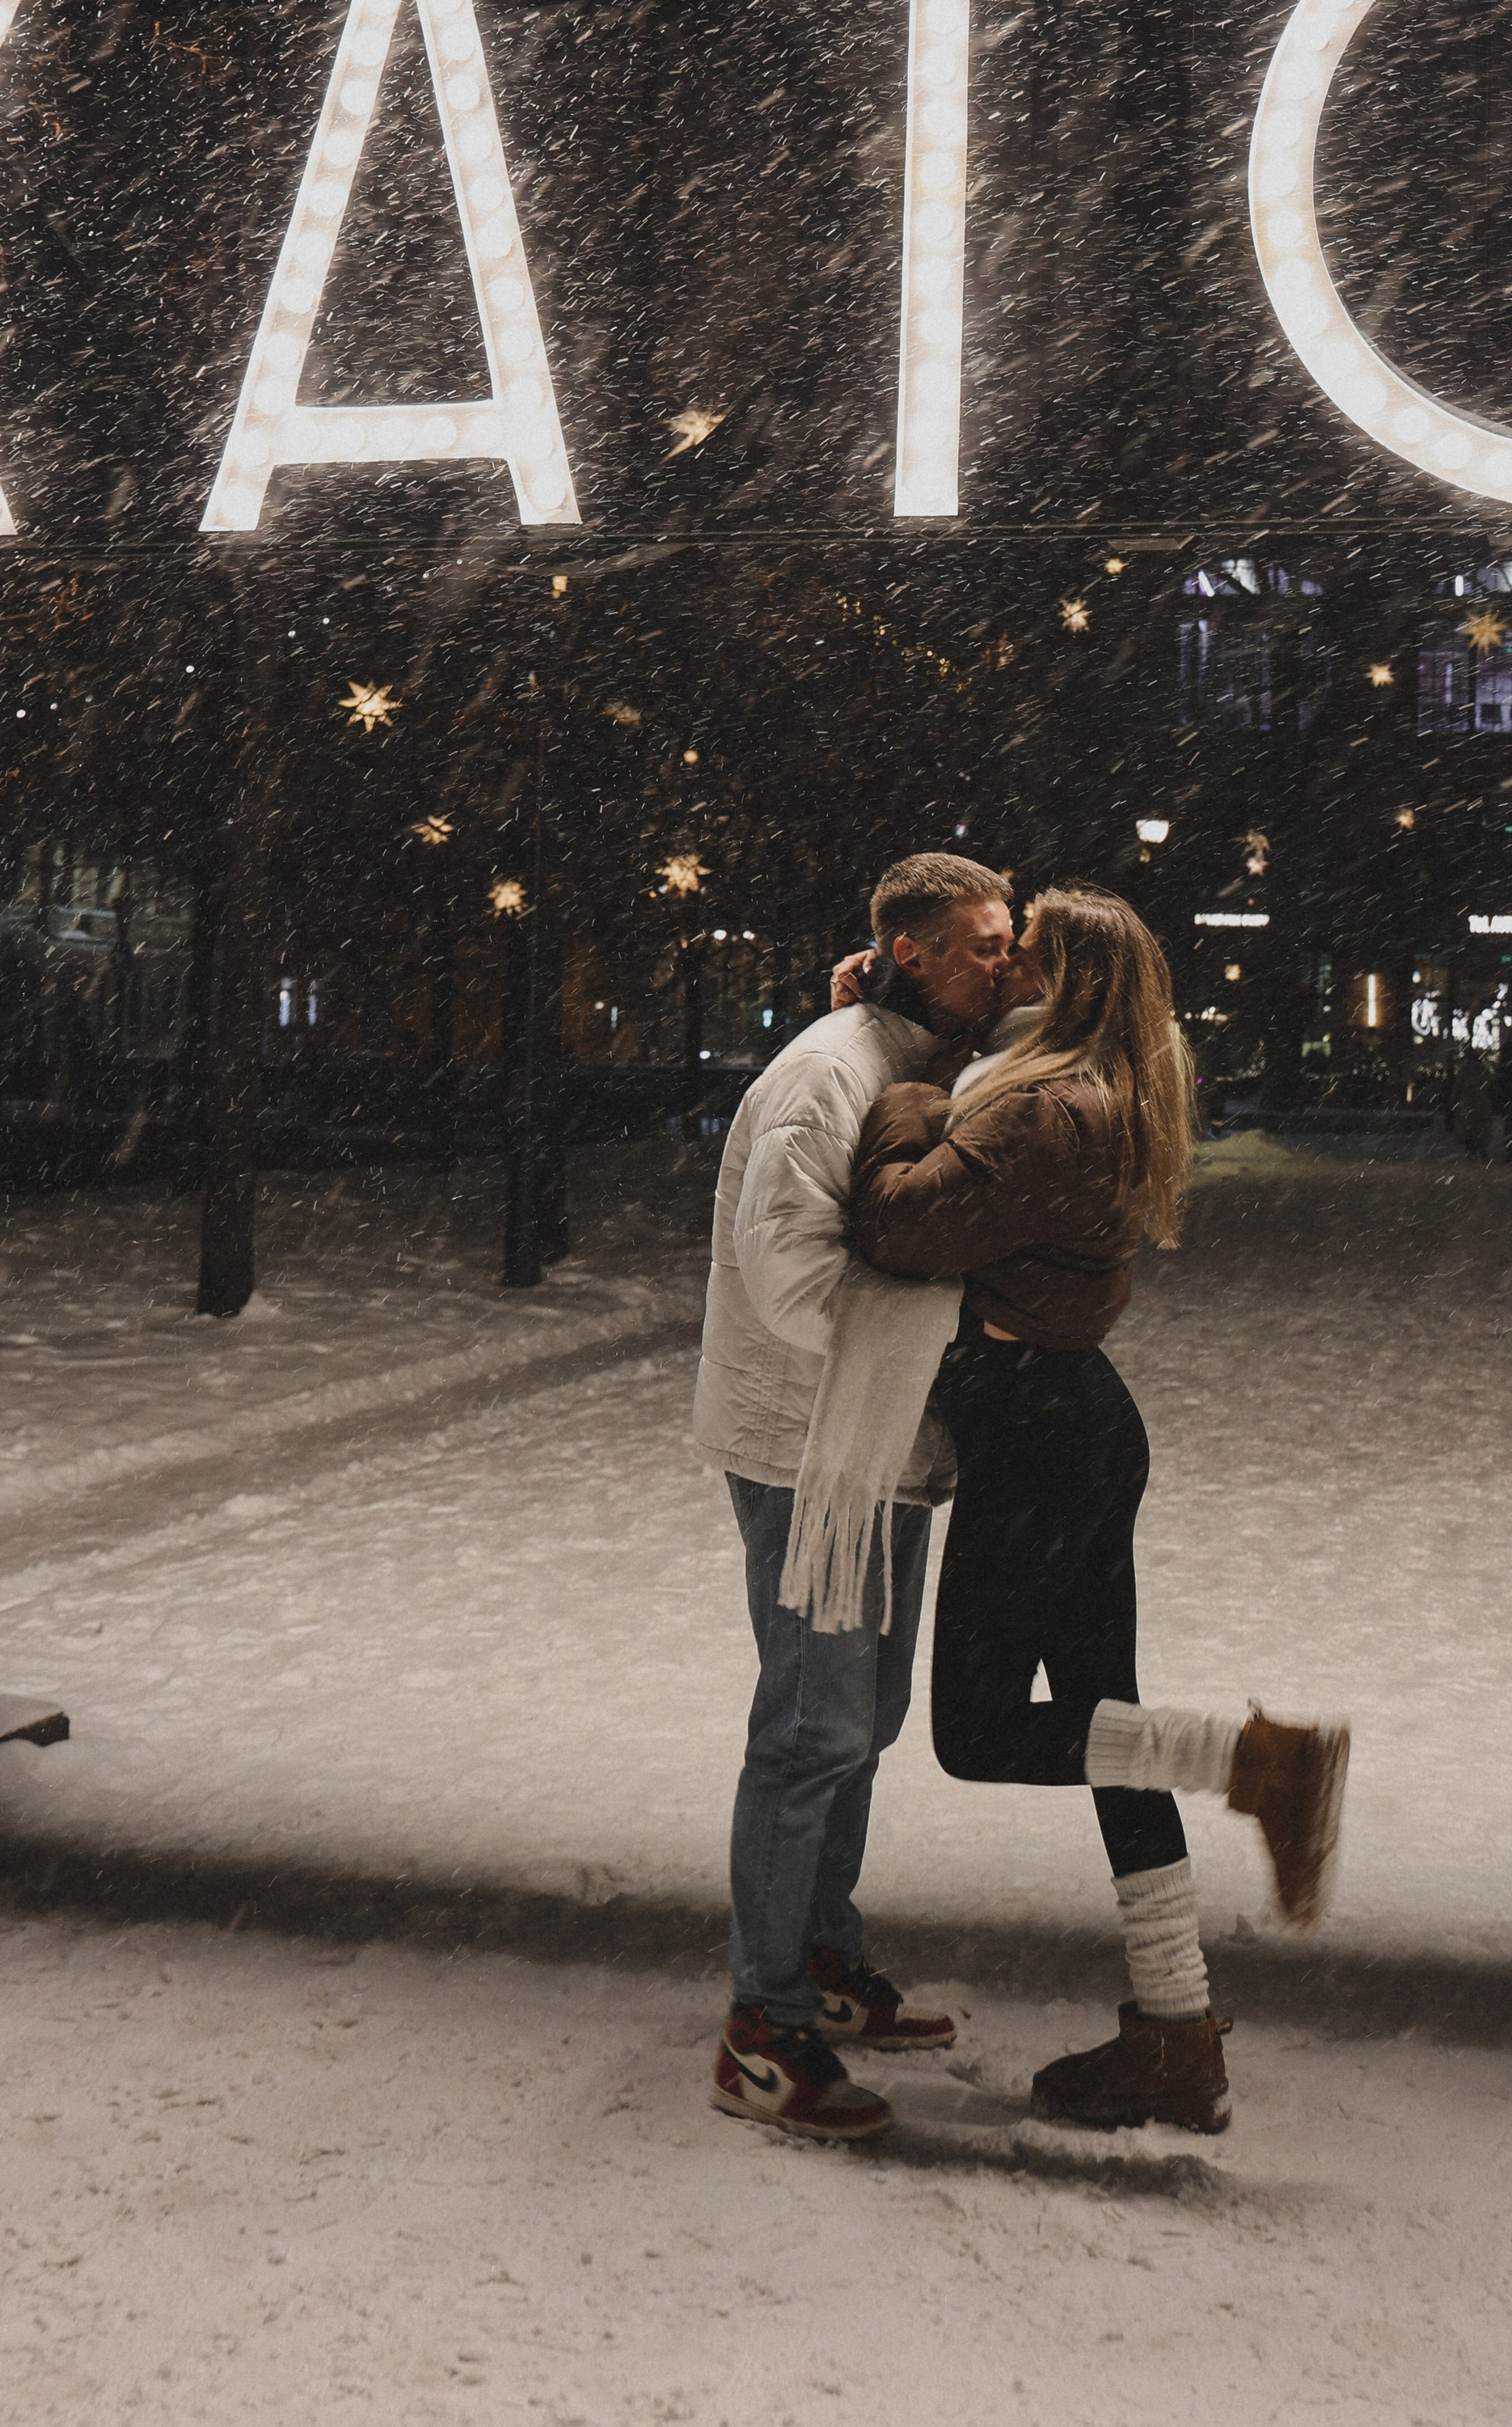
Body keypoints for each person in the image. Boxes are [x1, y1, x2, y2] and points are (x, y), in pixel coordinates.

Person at [845, 886, 1349, 2139]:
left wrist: (901, 1094)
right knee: (1102, 1731)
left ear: (1063, 989)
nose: (1003, 959)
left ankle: (1256, 1762)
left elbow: (903, 1222)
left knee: (976, 1728)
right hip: (1068, 1424)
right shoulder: (1074, 1087)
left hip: (1043, 1437)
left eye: (1027, 952)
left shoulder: (1054, 1114)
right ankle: (1177, 2035)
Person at [693, 849, 1013, 2145]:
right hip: (803, 1447)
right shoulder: (830, 1072)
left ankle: (820, 1959)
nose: (1008, 961)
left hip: (876, 1447)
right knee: (812, 1721)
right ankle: (760, 2030)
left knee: (865, 1712)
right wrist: (956, 1334)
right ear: (916, 953)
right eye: (987, 944)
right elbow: (789, 1279)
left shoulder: (926, 1054)